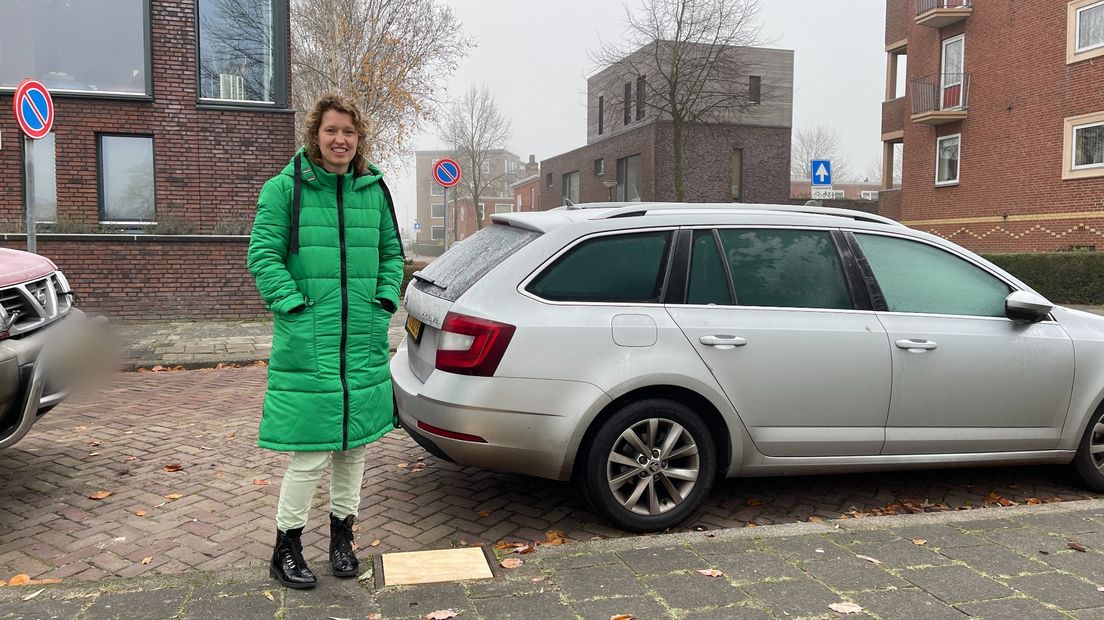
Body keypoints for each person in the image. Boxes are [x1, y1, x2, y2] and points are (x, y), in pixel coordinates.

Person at [247, 93, 404, 589]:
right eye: (332, 130)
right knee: (311, 452)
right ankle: (286, 548)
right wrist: (293, 305)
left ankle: (342, 539)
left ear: (360, 139)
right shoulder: (284, 189)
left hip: (361, 340)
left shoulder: (375, 191)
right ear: (316, 133)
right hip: (309, 340)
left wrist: (382, 302)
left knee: (353, 447)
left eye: (350, 133)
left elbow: (393, 256)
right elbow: (262, 256)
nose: (341, 140)